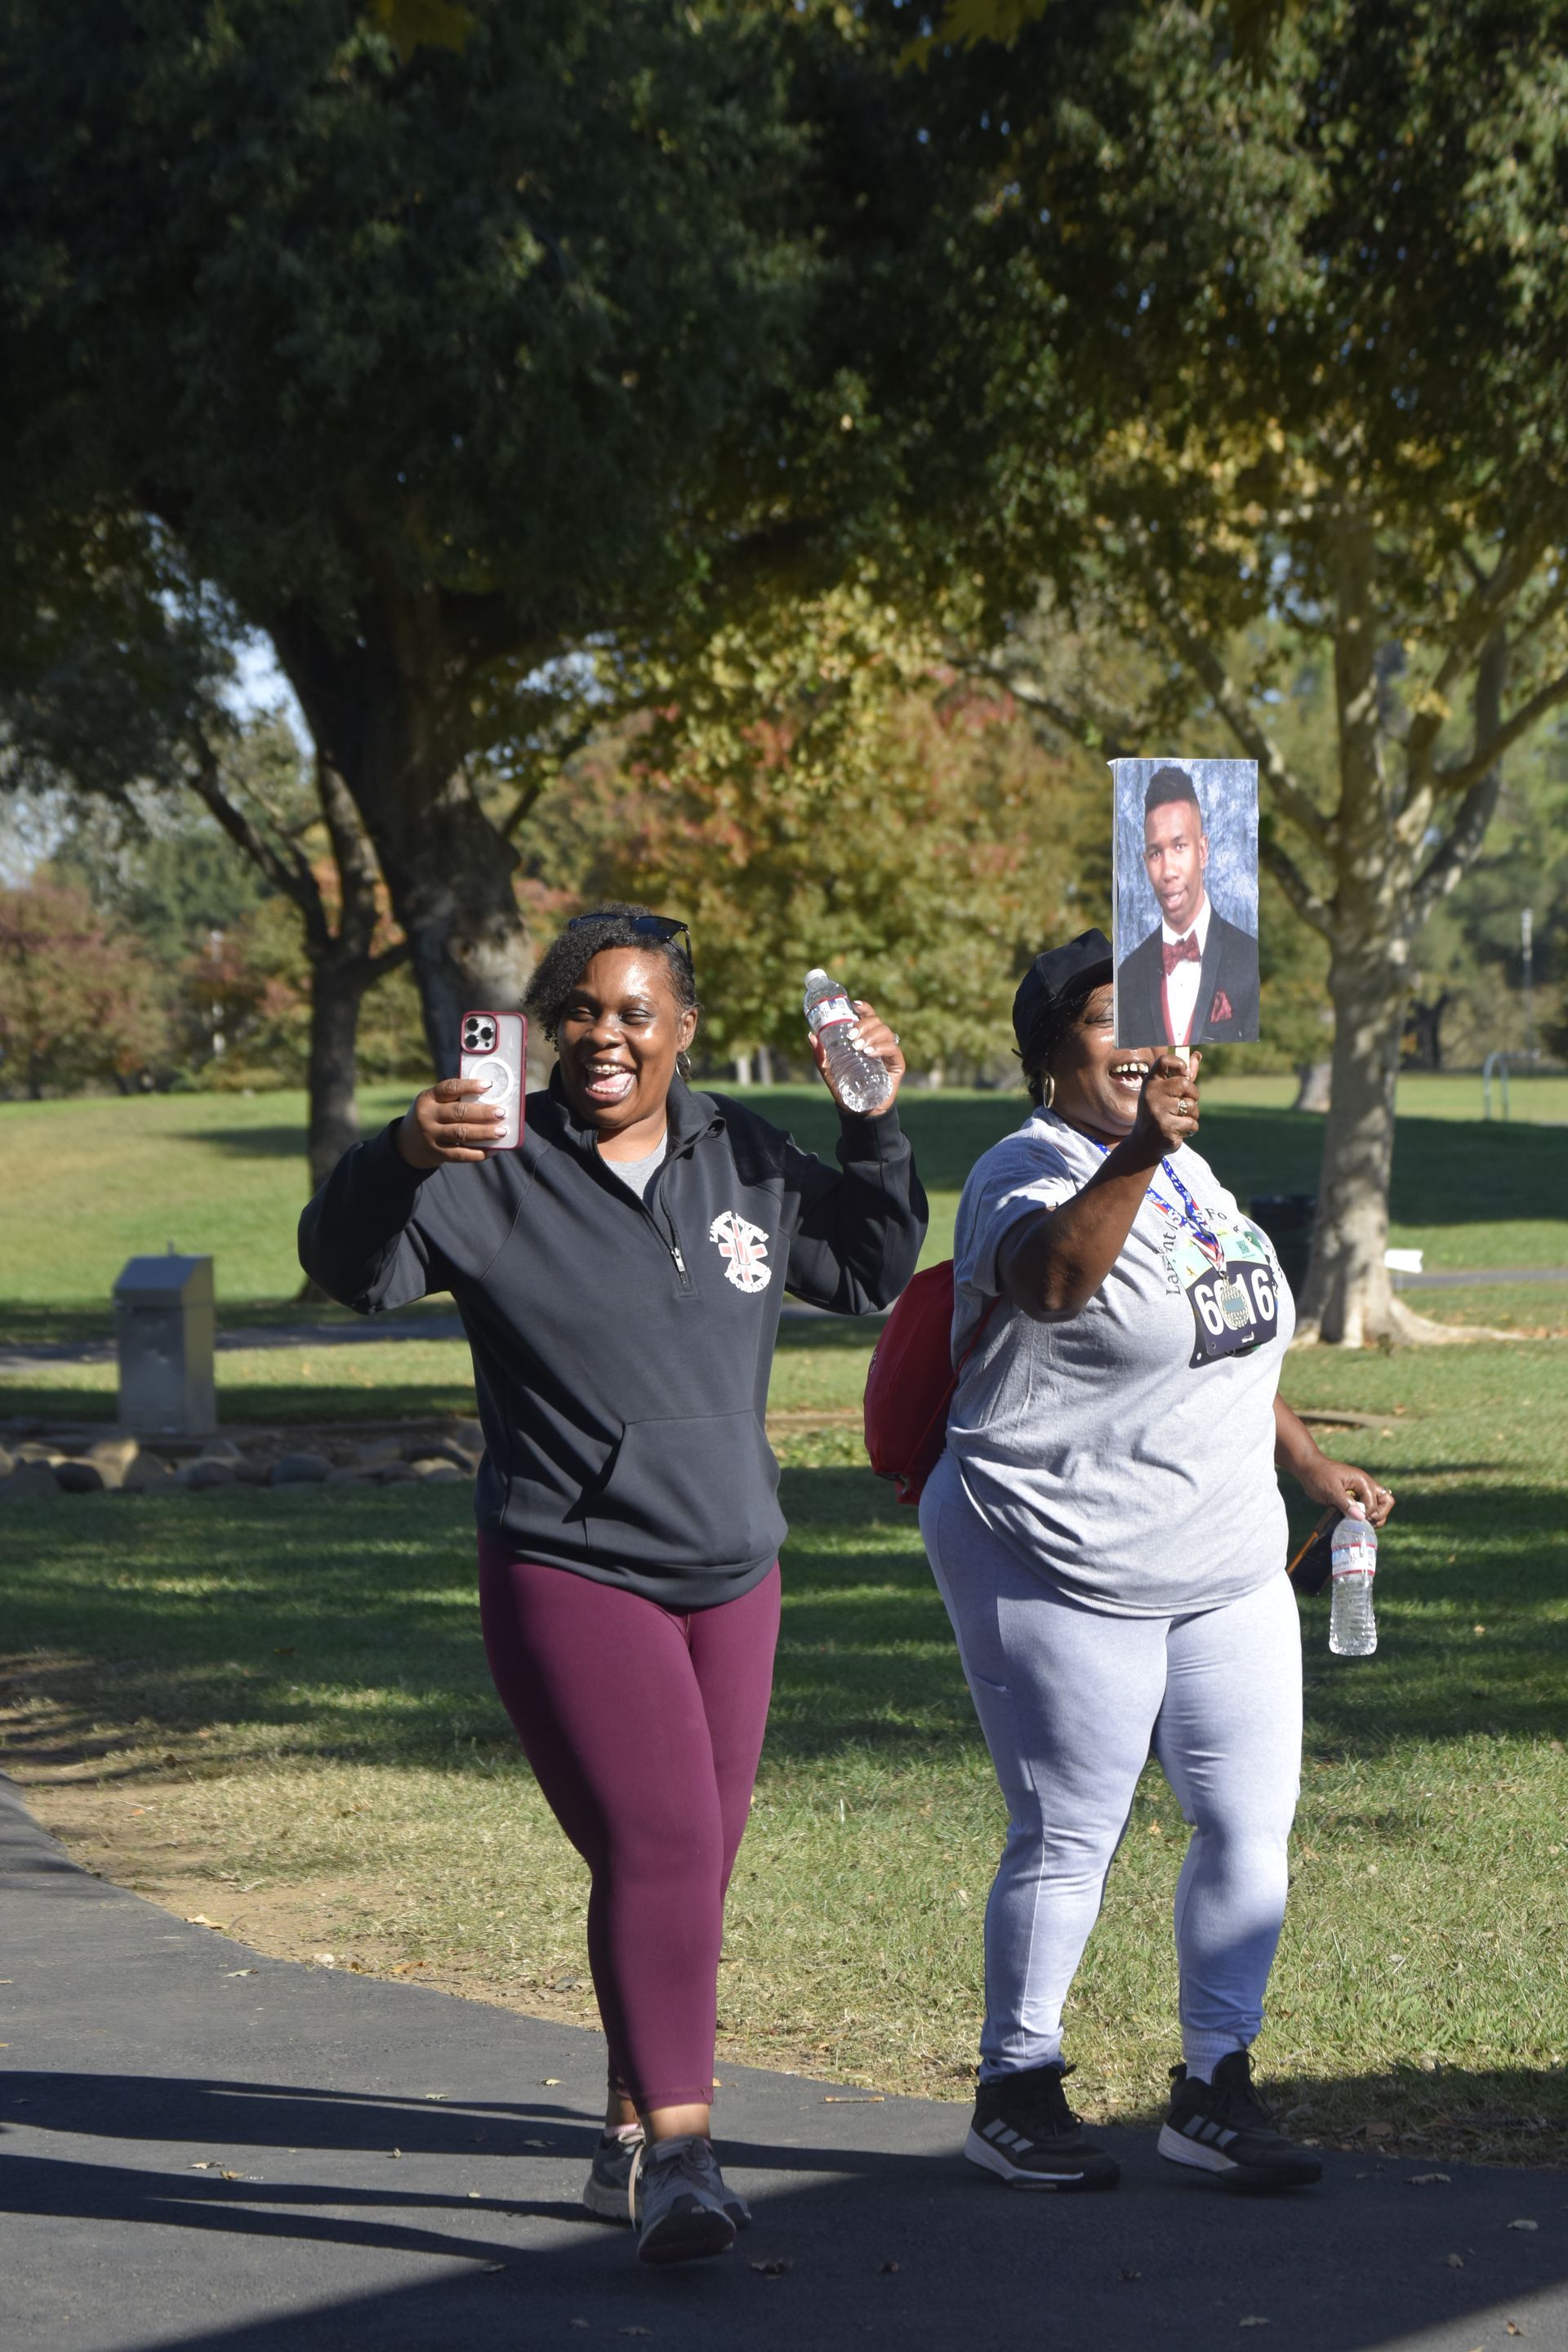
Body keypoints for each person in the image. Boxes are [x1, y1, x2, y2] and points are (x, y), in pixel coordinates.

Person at [299, 906, 925, 2265]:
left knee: (689, 1863)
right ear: (545, 1025)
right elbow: (344, 1271)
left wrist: (875, 1126)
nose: (605, 1035)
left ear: (683, 1032)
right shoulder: (486, 1164)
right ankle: (687, 2163)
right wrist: (403, 1151)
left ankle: (625, 2131)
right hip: (570, 1561)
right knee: (664, 1845)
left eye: (636, 1013)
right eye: (581, 1010)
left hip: (733, 1567)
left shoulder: (744, 1156)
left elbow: (870, 1271)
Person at [920, 929, 1393, 2194]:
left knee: (1249, 1823)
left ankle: (1213, 2089)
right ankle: (1015, 2087)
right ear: (1048, 1049)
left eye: (1153, 1018)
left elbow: (1228, 1335)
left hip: (1227, 1559)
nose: (1138, 1042)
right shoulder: (1021, 1170)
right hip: (1057, 1552)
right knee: (1071, 1830)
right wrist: (1141, 1151)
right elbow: (1059, 1283)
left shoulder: (1192, 1174)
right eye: (1103, 1019)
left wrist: (1306, 1464)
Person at [1115, 765, 1260, 1045]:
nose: (1168, 870)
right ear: (1145, 862)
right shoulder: (1127, 977)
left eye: (1180, 846)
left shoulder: (1250, 960)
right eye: (1156, 852)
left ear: (1202, 852)